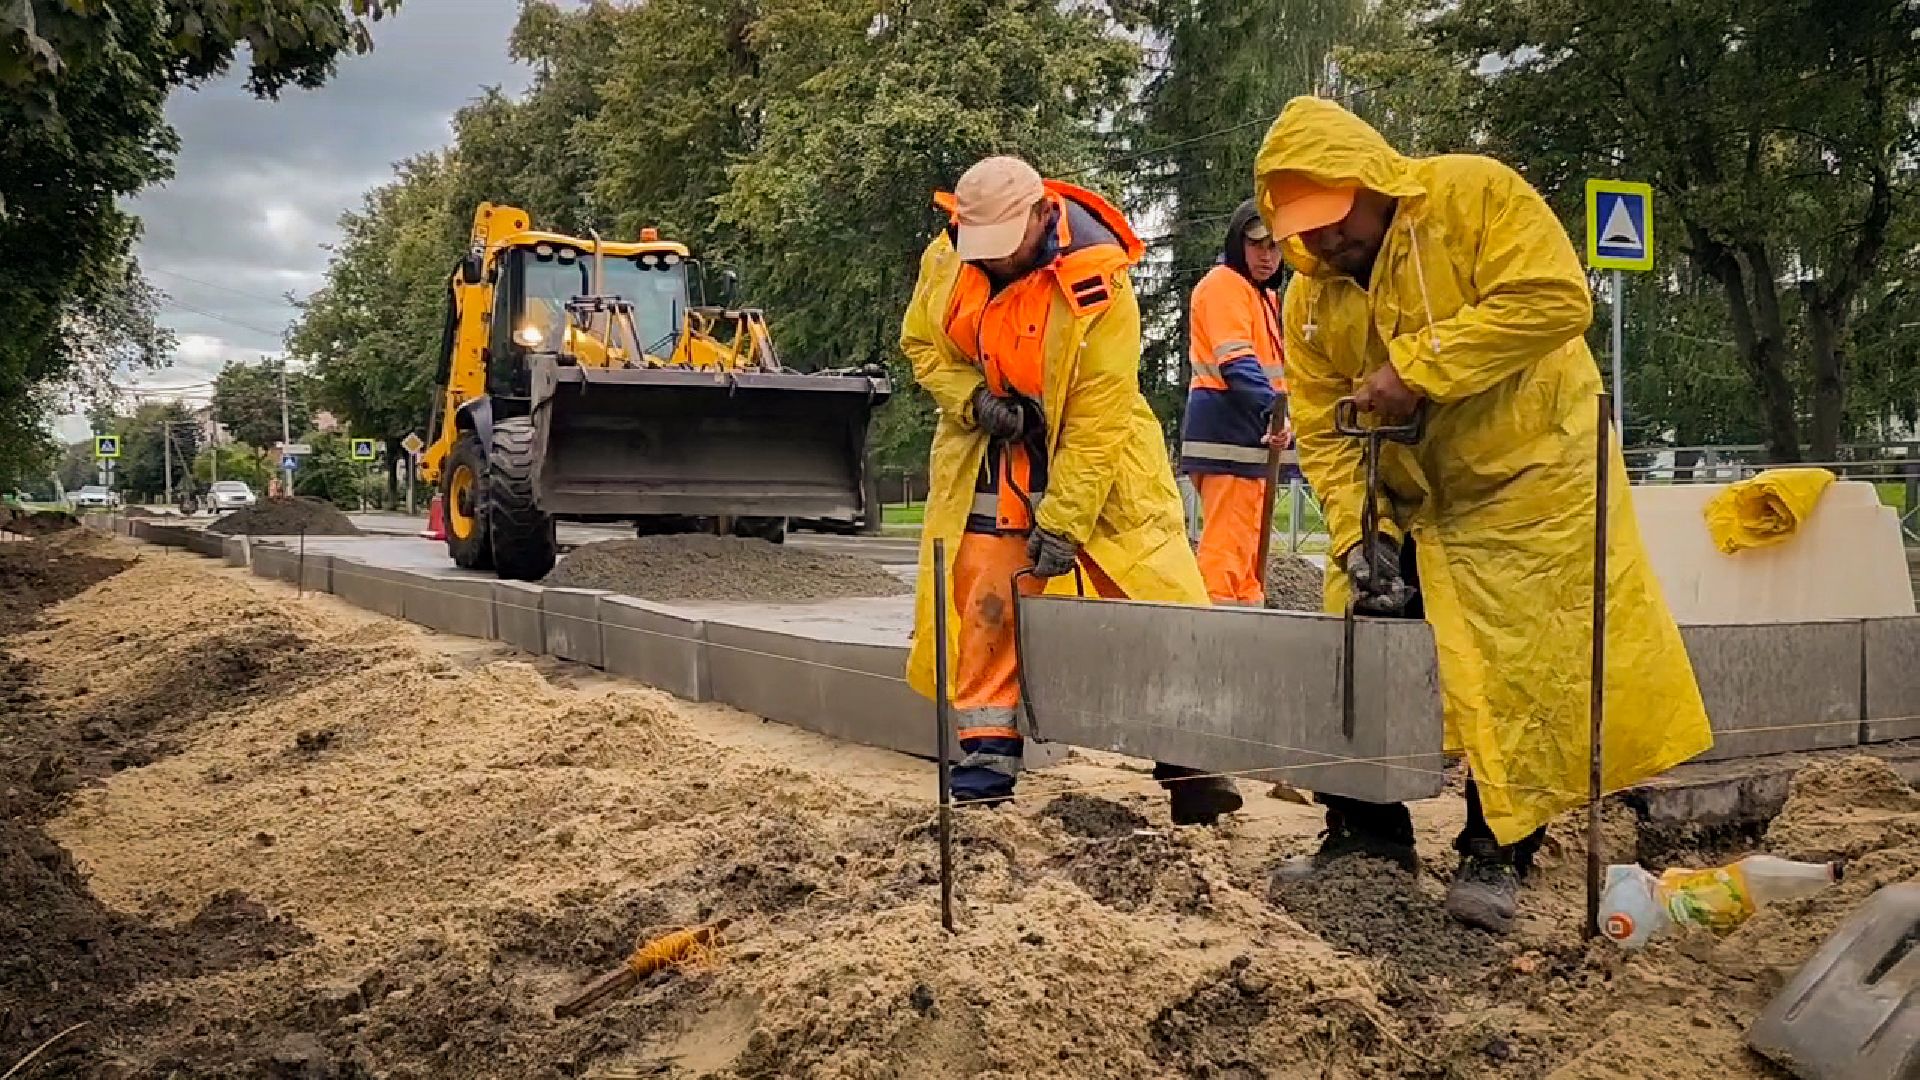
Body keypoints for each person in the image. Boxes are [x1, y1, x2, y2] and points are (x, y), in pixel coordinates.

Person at [1253, 97, 1711, 932]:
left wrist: (1422, 368)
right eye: (1305, 227)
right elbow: (1322, 425)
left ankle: (1497, 850)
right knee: (1353, 642)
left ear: (1374, 178)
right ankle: (1364, 836)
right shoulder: (1311, 300)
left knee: (1517, 669)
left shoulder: (1474, 196)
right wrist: (1364, 533)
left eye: (1335, 217)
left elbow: (1554, 299)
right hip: (1408, 493)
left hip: (1529, 479)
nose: (1323, 241)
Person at [900, 155, 1242, 824]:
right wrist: (974, 401)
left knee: (1160, 604)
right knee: (987, 603)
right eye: (982, 250)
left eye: (1005, 248)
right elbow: (922, 347)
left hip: (1104, 461)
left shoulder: (1099, 284)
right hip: (993, 453)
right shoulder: (947, 258)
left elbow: (1096, 413)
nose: (993, 263)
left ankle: (1192, 767)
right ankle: (985, 766)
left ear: (1040, 217)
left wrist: (1064, 519)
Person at [1179, 200, 1291, 605]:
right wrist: (1274, 413)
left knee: (1244, 555)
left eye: (1275, 247)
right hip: (1230, 438)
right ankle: (1218, 639)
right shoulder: (1225, 285)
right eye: (1258, 245)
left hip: (1249, 442)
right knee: (1226, 556)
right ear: (1237, 243)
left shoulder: (1261, 296)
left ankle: (1243, 626)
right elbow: (1237, 363)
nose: (1267, 256)